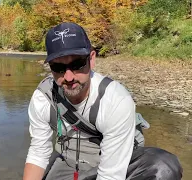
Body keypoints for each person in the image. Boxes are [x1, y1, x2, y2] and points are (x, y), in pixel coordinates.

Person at [23, 22, 183, 180]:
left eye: (77, 64)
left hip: (115, 163)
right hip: (68, 164)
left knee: (164, 166)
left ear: (92, 59)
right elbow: (39, 152)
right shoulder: (43, 98)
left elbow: (111, 175)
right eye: (58, 67)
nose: (69, 77)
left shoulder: (115, 100)